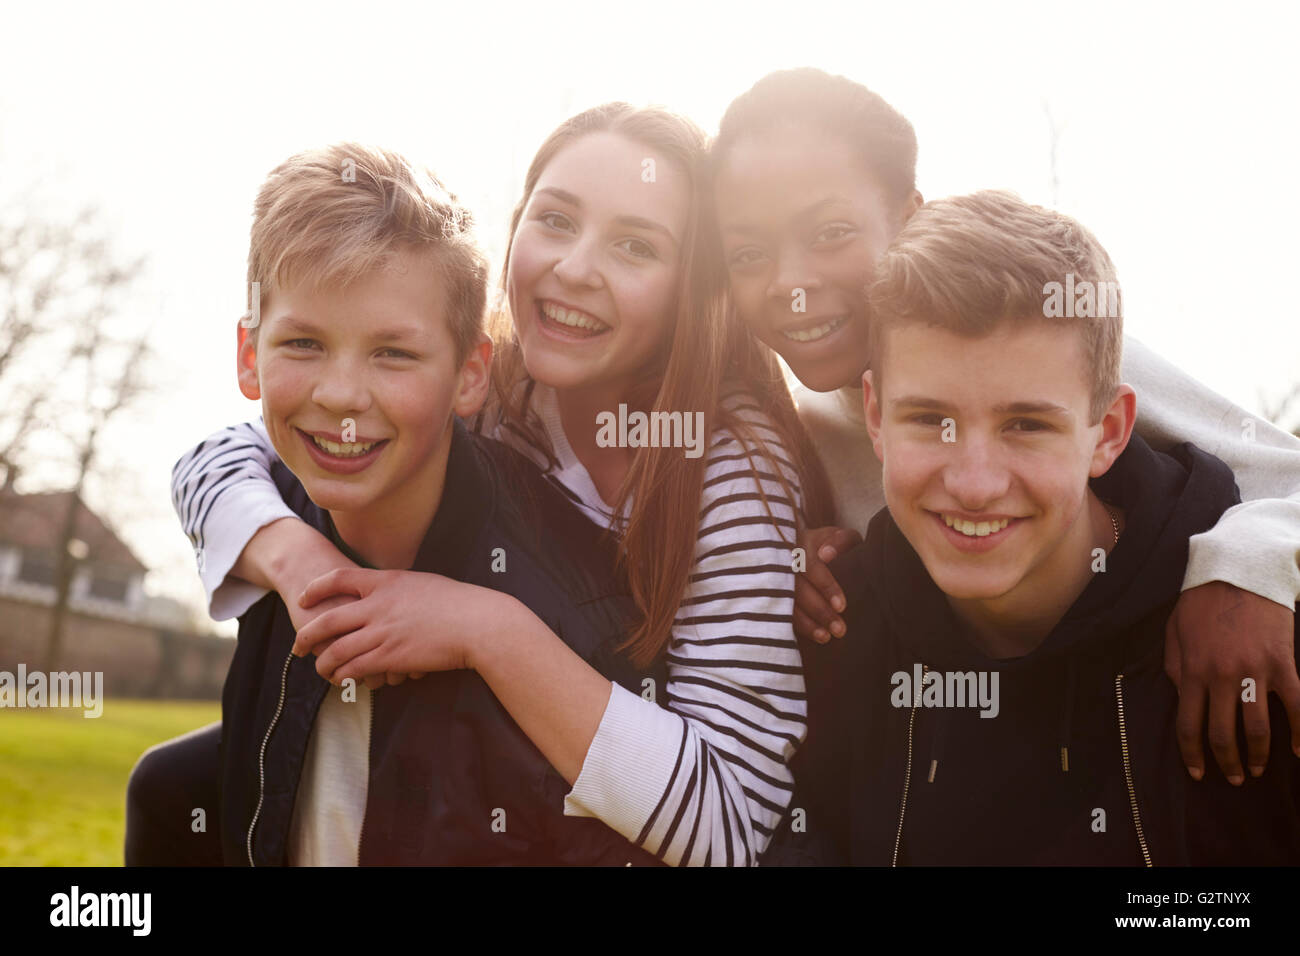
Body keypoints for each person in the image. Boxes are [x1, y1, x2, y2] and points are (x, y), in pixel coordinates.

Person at [148, 106, 828, 866]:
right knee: (169, 785)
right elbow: (220, 459)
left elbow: (731, 820)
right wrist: (303, 563)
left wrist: (485, 628)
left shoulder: (727, 465)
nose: (575, 268)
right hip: (455, 755)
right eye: (556, 219)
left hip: (612, 795)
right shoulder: (488, 390)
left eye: (636, 245)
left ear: (693, 287)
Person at [709, 68, 1300, 783]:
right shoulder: (796, 431)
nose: (788, 283)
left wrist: (1237, 571)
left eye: (830, 232)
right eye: (748, 253)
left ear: (907, 216)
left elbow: (1276, 466)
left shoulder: (1034, 331)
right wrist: (805, 567)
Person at [767, 191, 1300, 865]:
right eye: (930, 420)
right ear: (874, 416)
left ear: (1107, 431)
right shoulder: (828, 646)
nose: (975, 482)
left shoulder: (1261, 646)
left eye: (1026, 425)